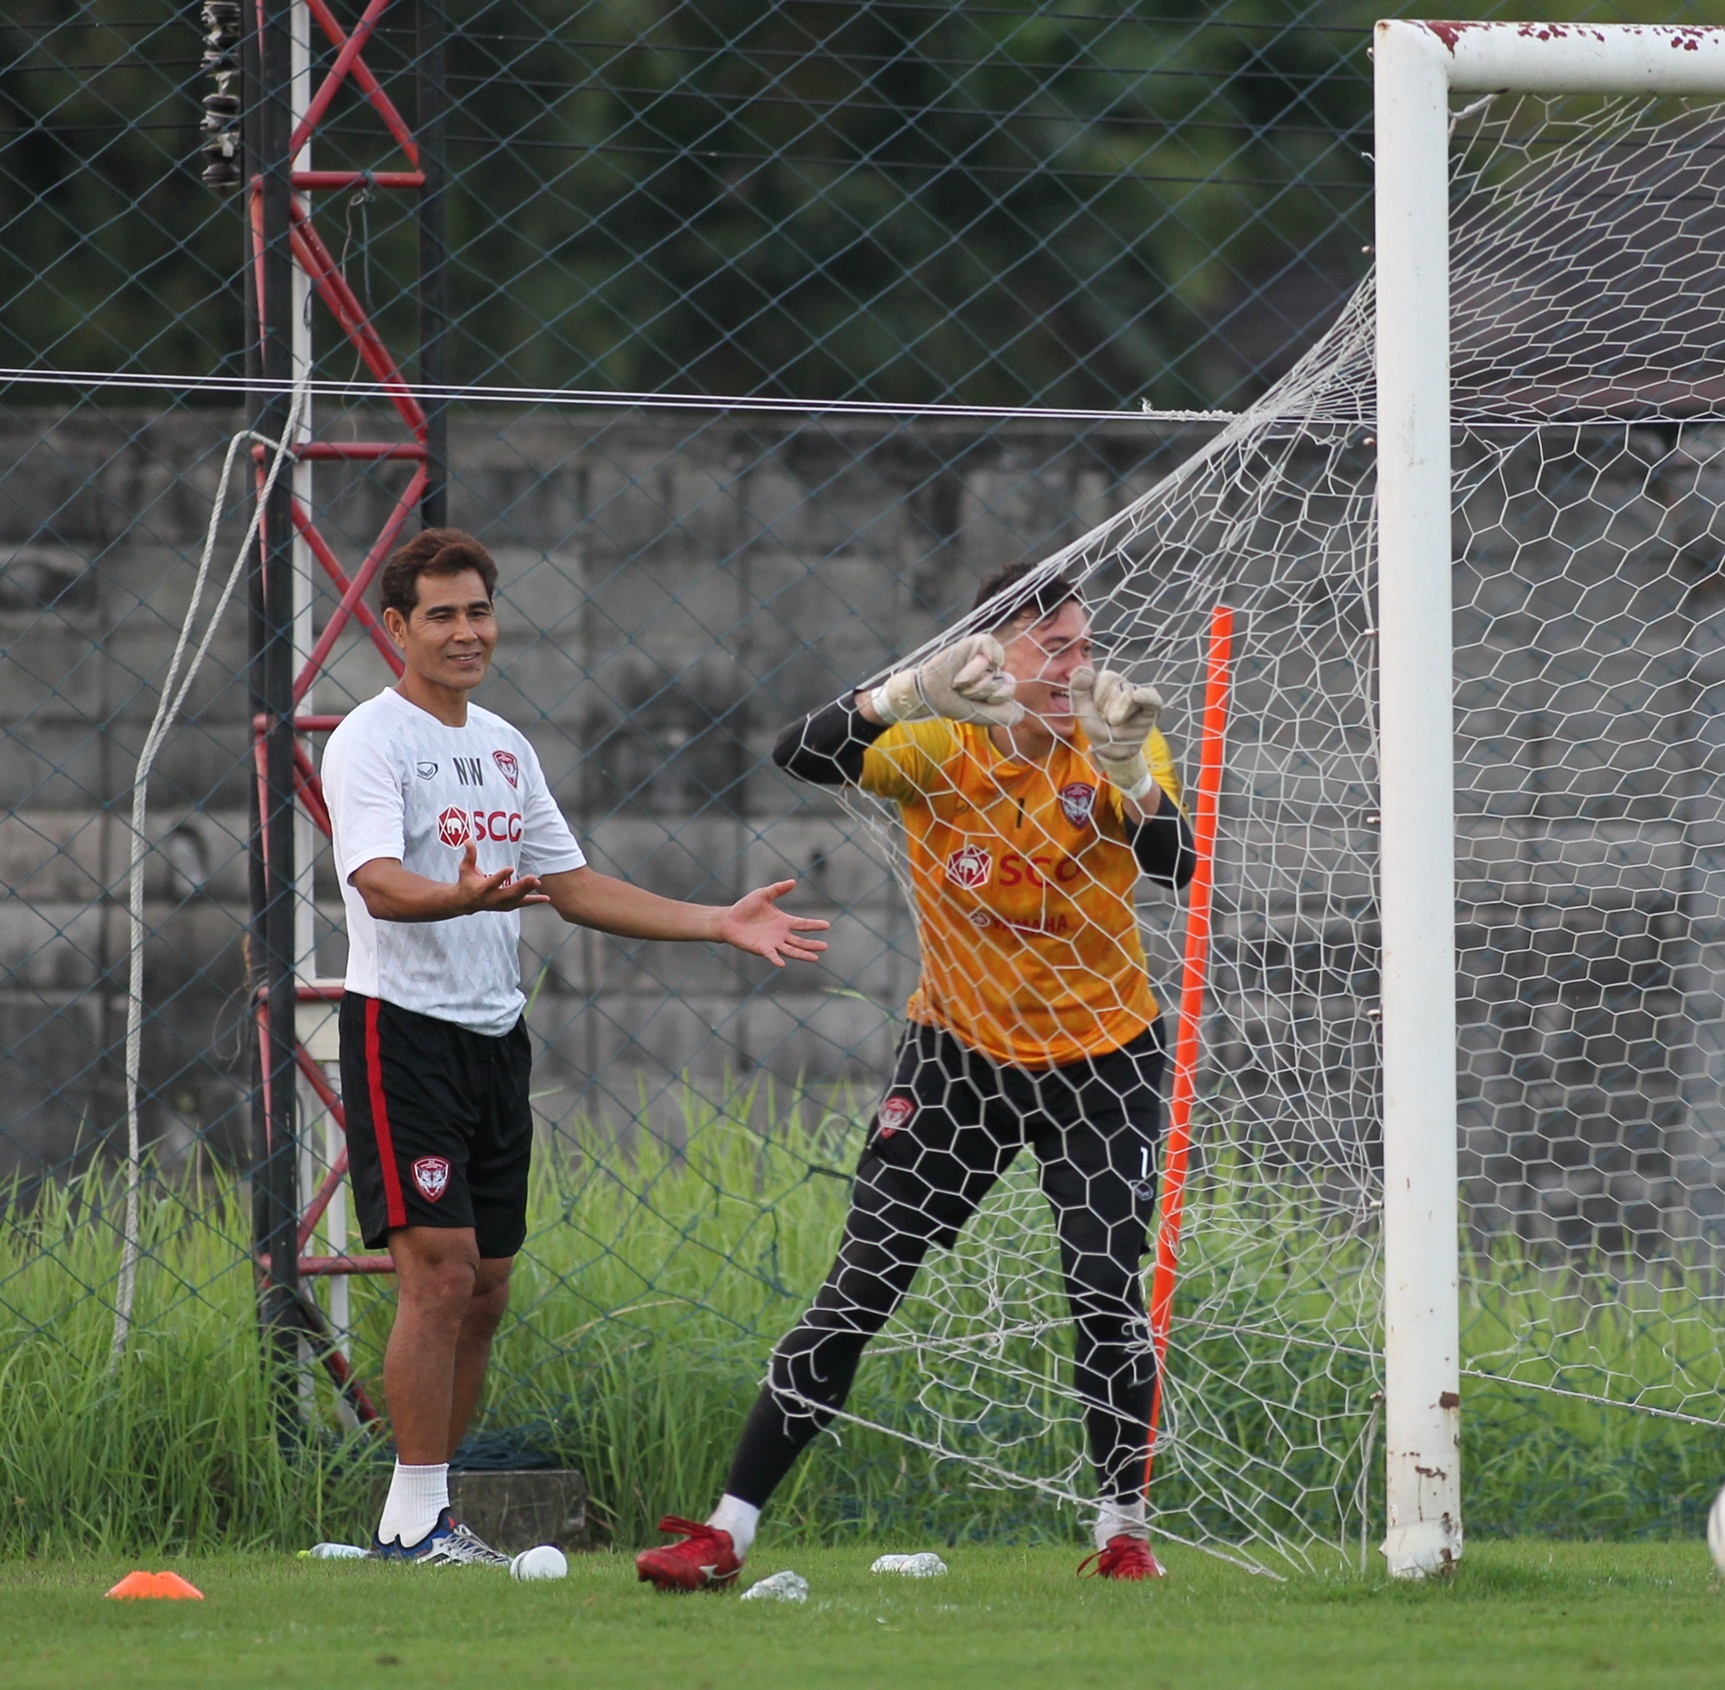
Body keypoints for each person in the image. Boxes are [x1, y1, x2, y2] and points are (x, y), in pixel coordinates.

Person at [635, 563, 1194, 1591]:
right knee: (861, 1282)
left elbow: (1173, 864)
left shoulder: (1111, 733)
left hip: (1102, 1058)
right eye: (1053, 646)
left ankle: (1122, 1530)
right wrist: (899, 695)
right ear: (992, 654)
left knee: (1104, 1292)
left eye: (1081, 641)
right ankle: (725, 1529)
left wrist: (1135, 779)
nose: (1077, 664)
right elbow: (797, 753)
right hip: (957, 1057)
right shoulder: (938, 739)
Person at [325, 527, 829, 1565]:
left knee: (488, 1285)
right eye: (442, 615)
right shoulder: (369, 740)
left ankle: (420, 1514)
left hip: (495, 1035)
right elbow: (375, 879)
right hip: (402, 1033)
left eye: (478, 611)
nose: (467, 632)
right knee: (438, 1272)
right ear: (396, 628)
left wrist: (715, 919)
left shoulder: (505, 746)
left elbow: (571, 883)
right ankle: (417, 1519)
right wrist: (453, 895)